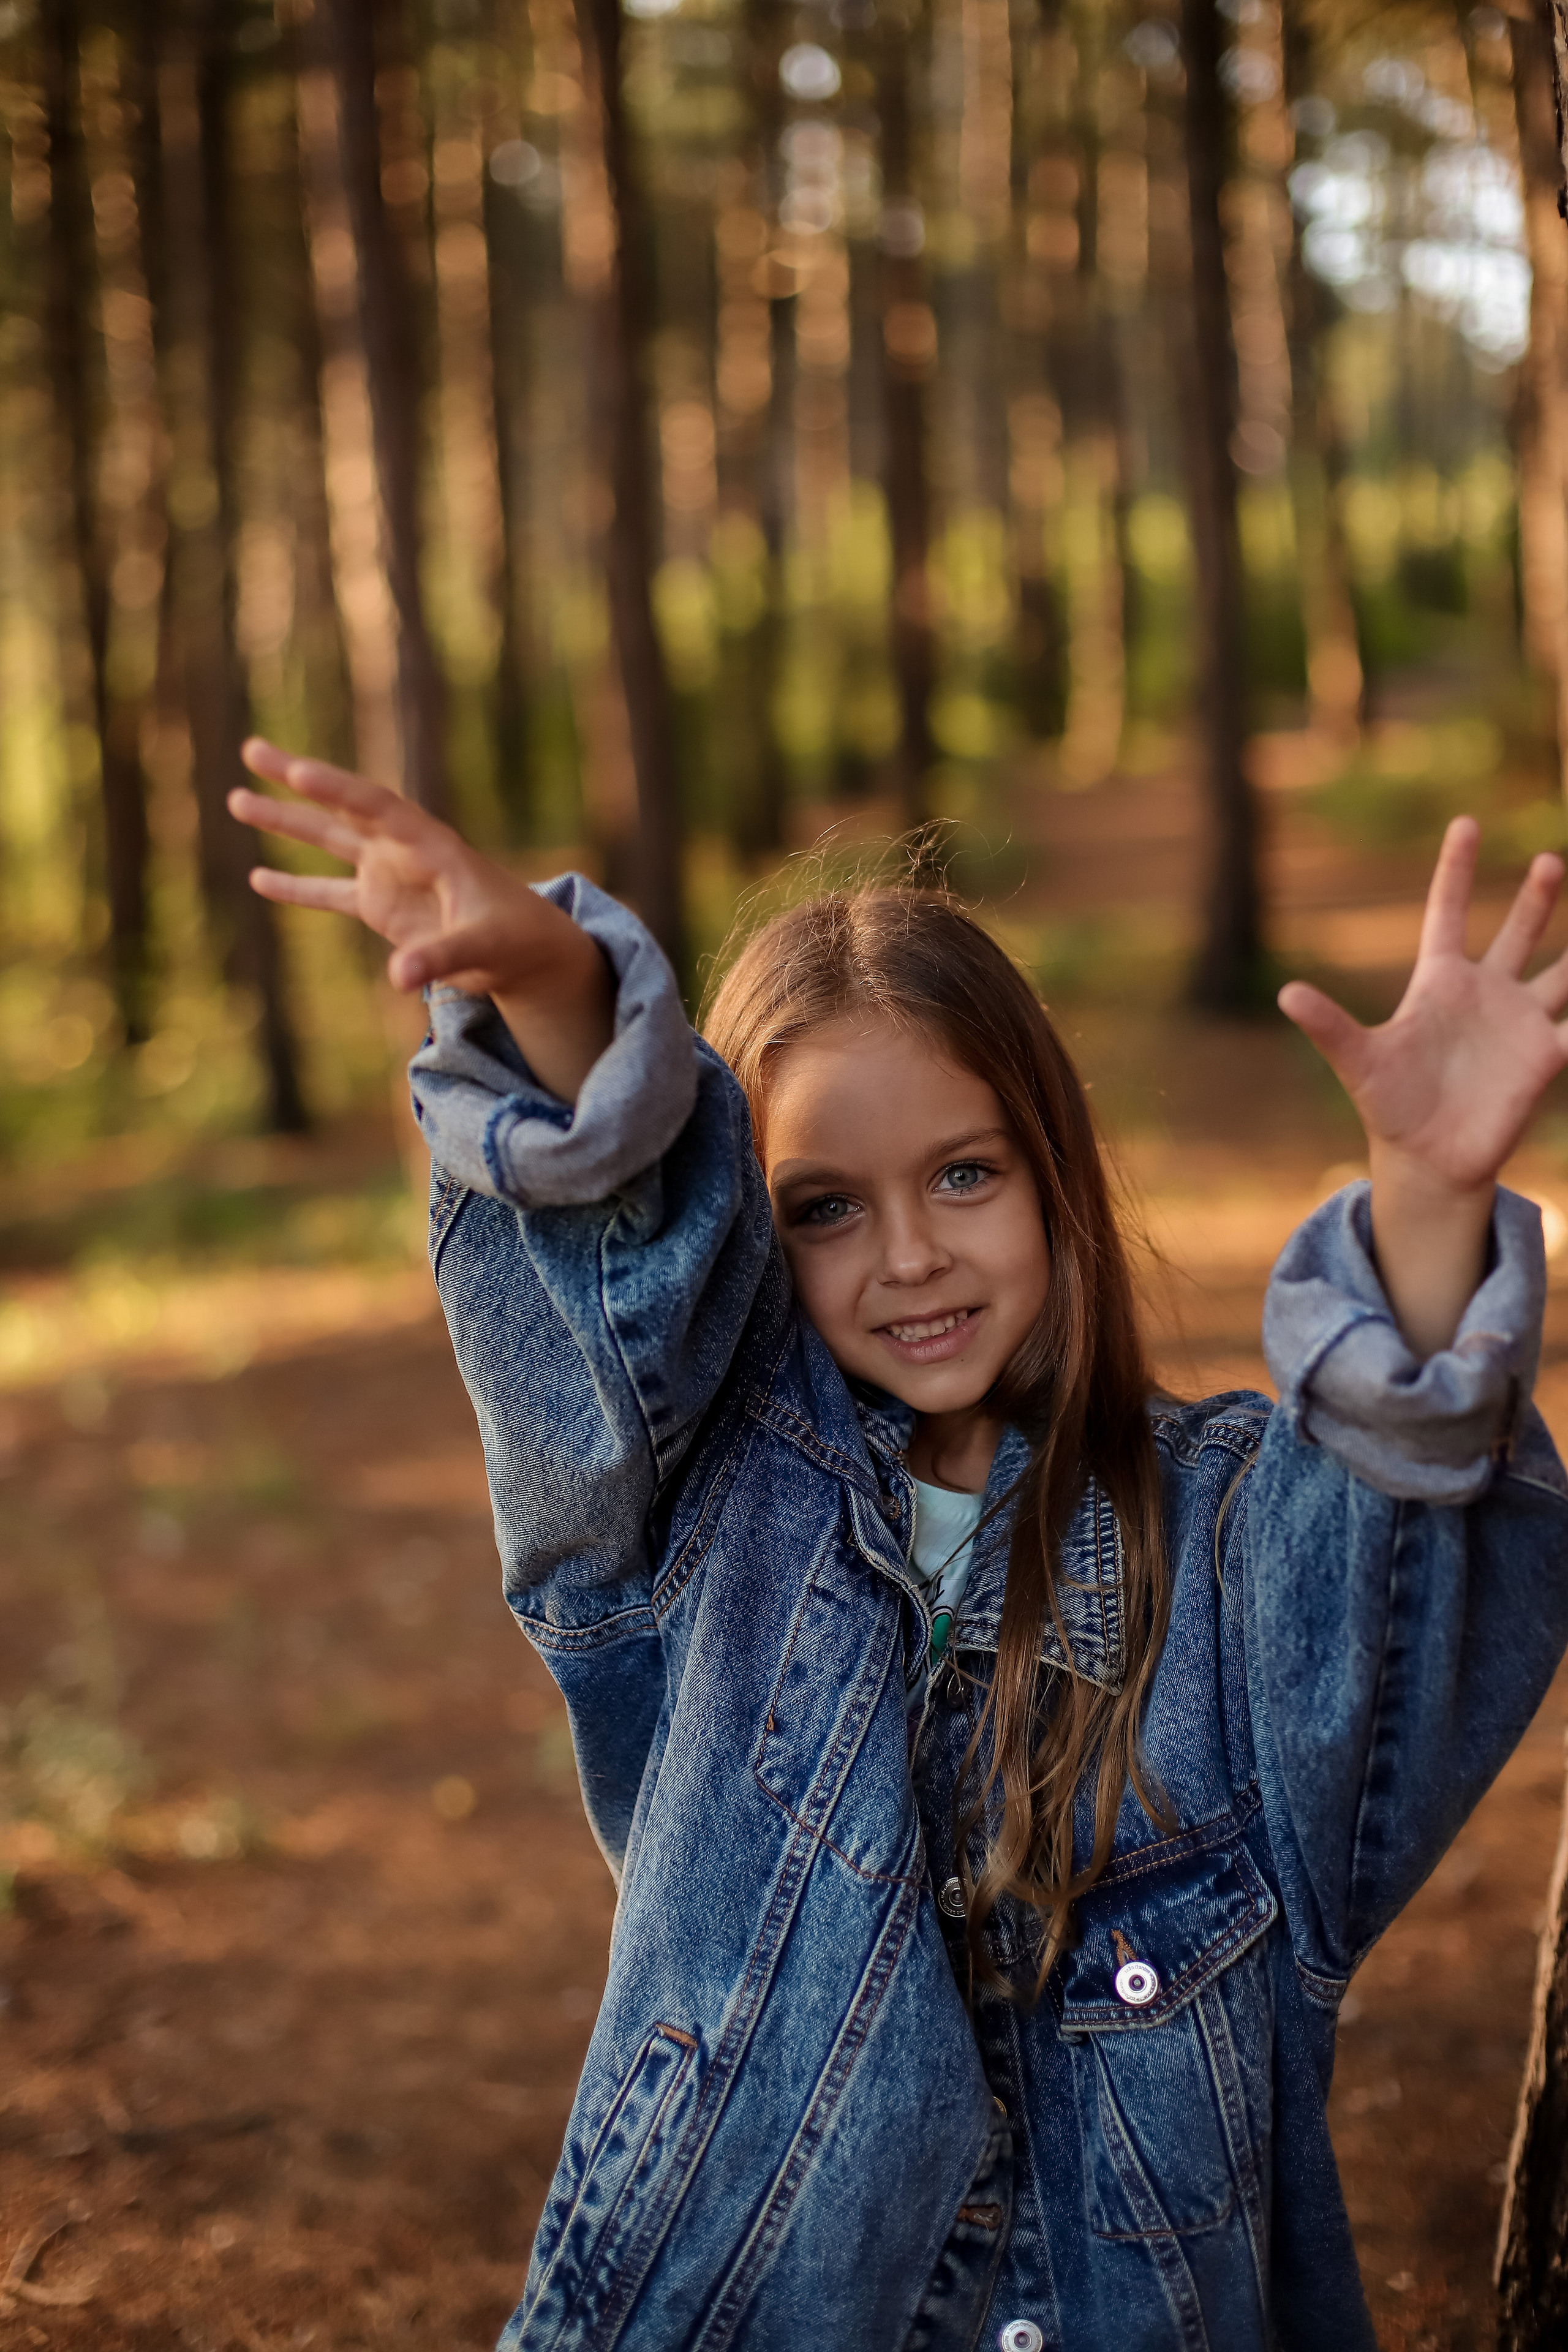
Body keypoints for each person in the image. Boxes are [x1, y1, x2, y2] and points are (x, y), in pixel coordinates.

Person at [232, 736, 1568, 2352]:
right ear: (752, 1229)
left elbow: (1387, 1561)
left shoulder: (1213, 1541)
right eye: (826, 1208)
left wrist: (1426, 1196)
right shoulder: (707, 1521)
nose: (913, 1255)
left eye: (963, 1174)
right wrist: (560, 992)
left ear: (1051, 1174)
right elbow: (621, 1296)